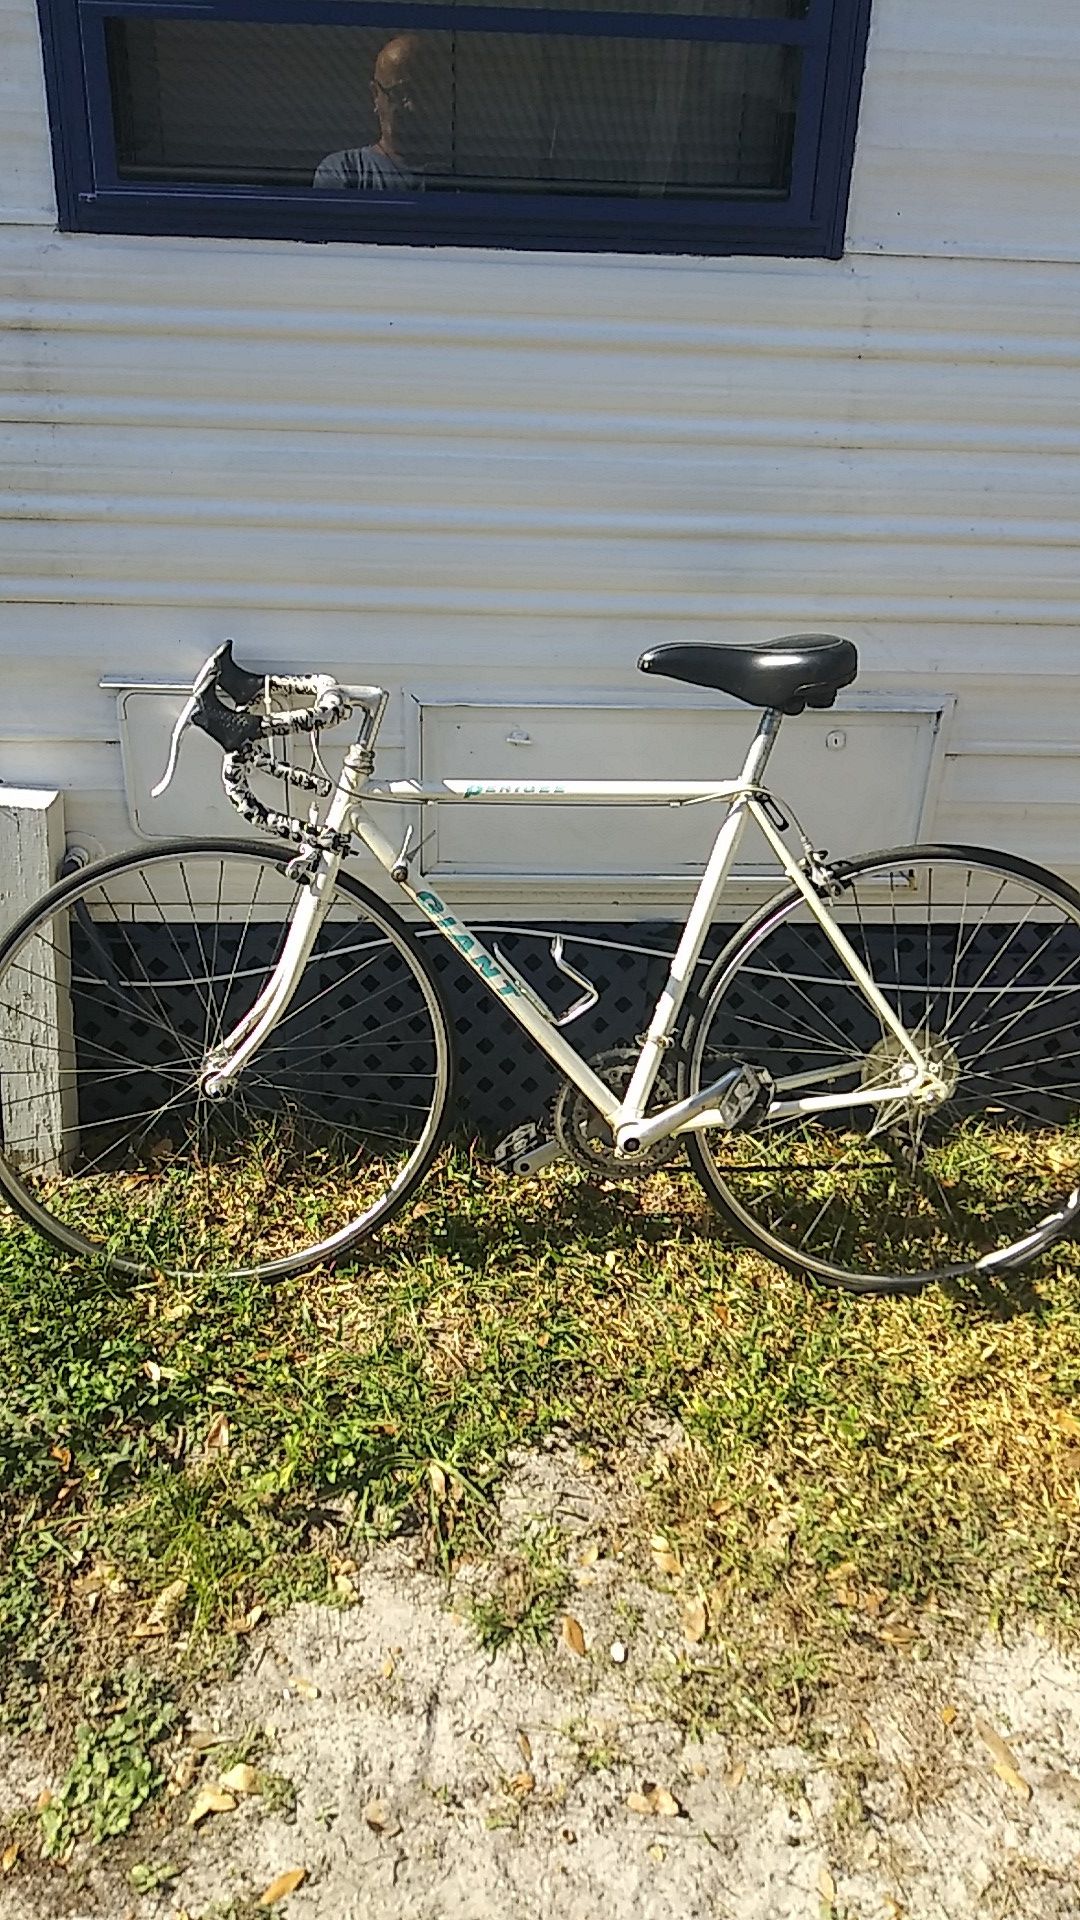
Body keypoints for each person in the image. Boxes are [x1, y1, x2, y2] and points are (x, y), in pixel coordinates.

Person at [314, 33, 448, 191]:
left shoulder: (454, 180)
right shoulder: (344, 171)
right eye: (399, 93)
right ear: (376, 95)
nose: (412, 105)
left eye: (421, 93)